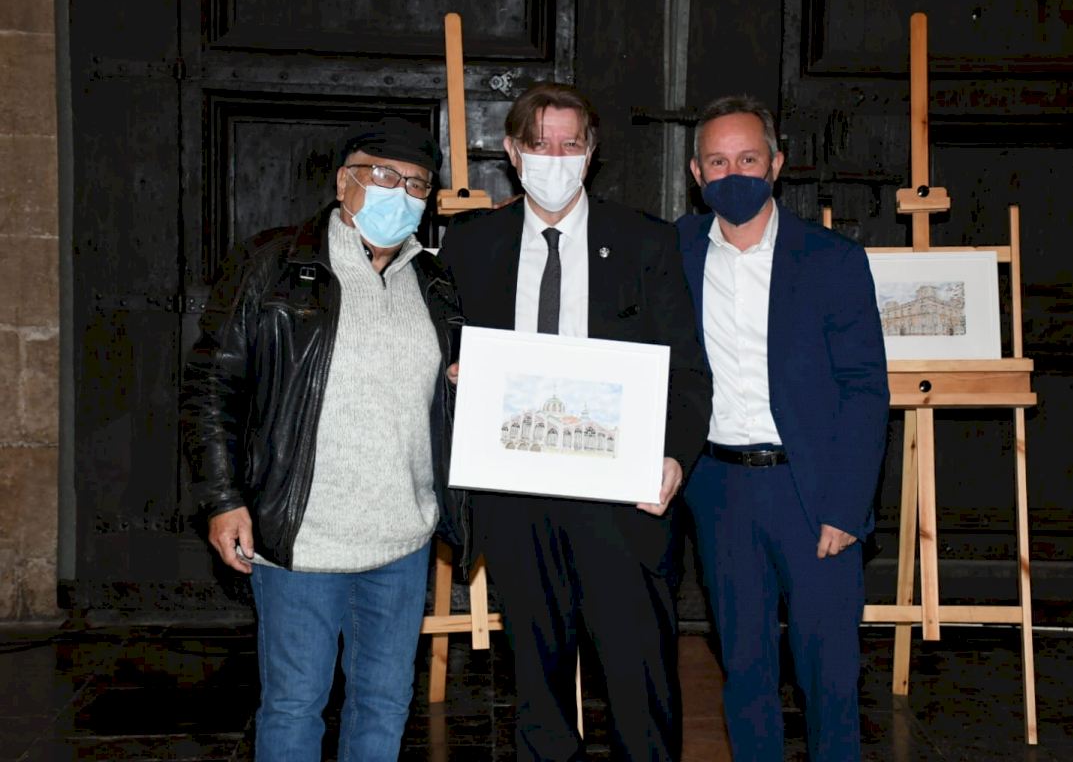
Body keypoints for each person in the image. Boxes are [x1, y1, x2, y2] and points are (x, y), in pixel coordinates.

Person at [438, 81, 712, 762]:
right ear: (512, 151)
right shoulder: (470, 246)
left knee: (639, 682)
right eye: (539, 144)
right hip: (516, 502)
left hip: (623, 503)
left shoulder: (646, 242)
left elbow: (688, 372)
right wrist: (455, 375)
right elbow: (441, 353)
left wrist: (674, 457)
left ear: (591, 153)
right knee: (538, 687)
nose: (554, 159)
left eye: (570, 144)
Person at [181, 118, 463, 762]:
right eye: (382, 175)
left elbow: (444, 392)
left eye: (416, 184)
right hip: (301, 535)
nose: (399, 193)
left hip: (403, 537)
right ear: (343, 183)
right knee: (294, 704)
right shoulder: (272, 264)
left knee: (384, 703)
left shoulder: (435, 282)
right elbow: (211, 385)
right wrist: (223, 499)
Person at [676, 95, 890, 762]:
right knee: (744, 668)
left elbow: (864, 389)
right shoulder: (673, 252)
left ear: (776, 164)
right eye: (717, 161)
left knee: (830, 673)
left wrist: (846, 506)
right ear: (696, 172)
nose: (732, 172)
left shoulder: (832, 259)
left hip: (812, 489)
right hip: (718, 490)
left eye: (747, 158)